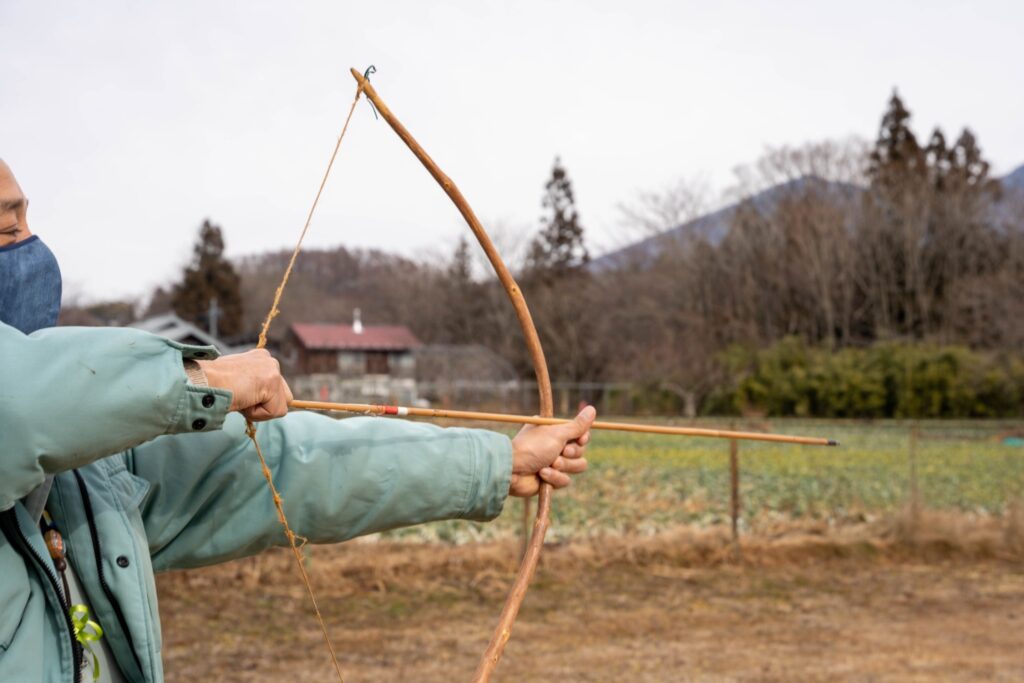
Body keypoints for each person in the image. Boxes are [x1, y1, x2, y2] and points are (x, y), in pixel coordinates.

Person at [0, 158, 593, 683]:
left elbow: (284, 468)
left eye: (22, 222)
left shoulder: (91, 467)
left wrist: (493, 462)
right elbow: (20, 404)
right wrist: (193, 382)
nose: (26, 247)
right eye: (3, 230)